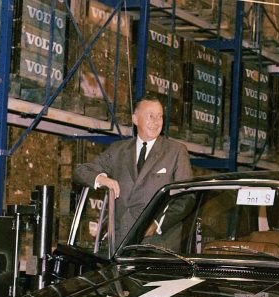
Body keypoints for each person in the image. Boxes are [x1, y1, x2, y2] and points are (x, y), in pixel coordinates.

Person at [74, 95, 193, 245]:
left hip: (157, 246)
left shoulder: (176, 151)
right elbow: (81, 171)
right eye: (150, 116)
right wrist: (102, 179)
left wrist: (157, 224)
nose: (156, 122)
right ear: (135, 119)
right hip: (121, 245)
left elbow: (186, 197)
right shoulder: (118, 150)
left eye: (160, 116)